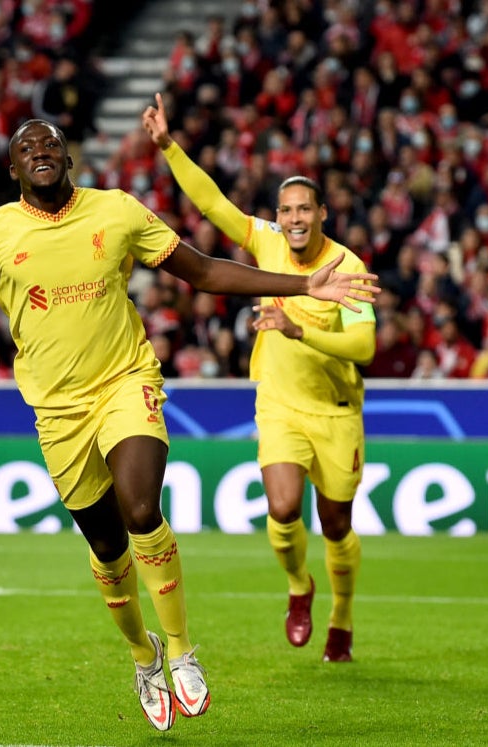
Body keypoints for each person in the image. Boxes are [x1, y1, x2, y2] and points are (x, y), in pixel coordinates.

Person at [0, 119, 379, 730]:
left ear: (69, 157)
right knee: (108, 550)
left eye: (51, 144)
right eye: (27, 148)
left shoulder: (117, 212)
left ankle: (182, 649)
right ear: (13, 170)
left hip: (125, 385)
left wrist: (304, 285)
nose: (40, 152)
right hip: (58, 413)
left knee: (142, 510)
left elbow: (204, 271)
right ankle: (144, 657)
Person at [142, 92, 376, 663]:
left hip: (338, 413)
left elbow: (364, 346)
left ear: (323, 215)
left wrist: (298, 331)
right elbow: (214, 207)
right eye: (286, 209)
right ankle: (300, 588)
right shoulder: (266, 242)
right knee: (282, 507)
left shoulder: (349, 269)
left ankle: (341, 615)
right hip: (279, 405)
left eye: (305, 210)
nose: (294, 219)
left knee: (336, 522)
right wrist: (170, 147)